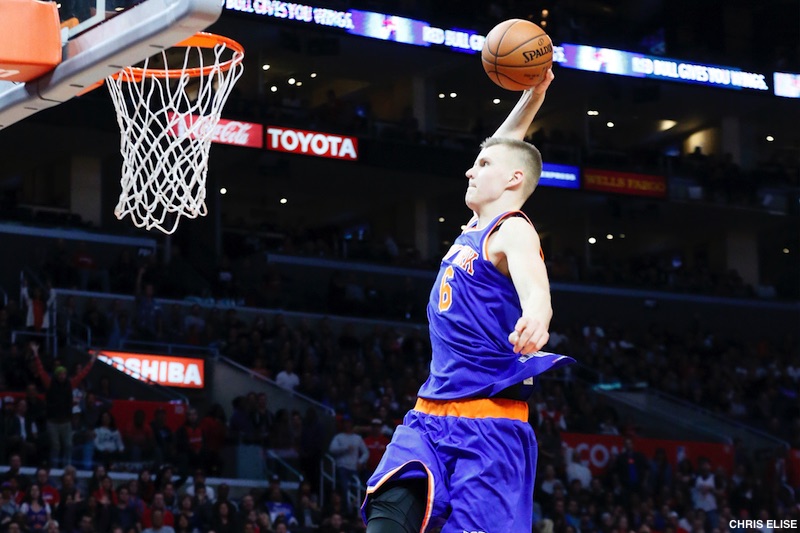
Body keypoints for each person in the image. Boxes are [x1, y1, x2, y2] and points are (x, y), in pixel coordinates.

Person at [361, 68, 575, 533]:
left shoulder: (512, 229)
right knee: (385, 517)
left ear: (513, 179)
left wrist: (537, 317)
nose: (470, 170)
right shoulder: (475, 227)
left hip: (488, 425)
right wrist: (532, 97)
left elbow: (536, 286)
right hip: (428, 416)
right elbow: (504, 146)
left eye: (482, 166)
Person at [31, 342, 97, 468]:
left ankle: (67, 467)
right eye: (60, 374)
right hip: (53, 421)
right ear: (56, 375)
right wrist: (35, 354)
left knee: (68, 445)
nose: (62, 376)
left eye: (64, 374)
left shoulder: (70, 384)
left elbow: (82, 374)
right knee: (55, 446)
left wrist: (92, 361)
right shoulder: (49, 383)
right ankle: (54, 468)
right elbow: (41, 370)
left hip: (66, 421)